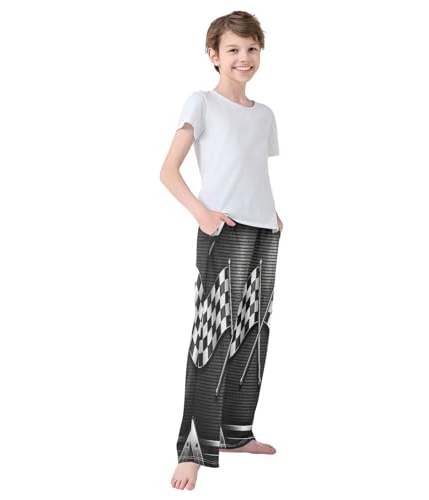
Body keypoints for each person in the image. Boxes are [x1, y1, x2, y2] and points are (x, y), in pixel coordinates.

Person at [159, 10, 283, 491]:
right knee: (211, 335)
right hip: (223, 229)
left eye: (251, 48)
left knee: (254, 330)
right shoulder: (202, 102)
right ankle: (192, 450)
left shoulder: (264, 114)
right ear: (214, 55)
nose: (243, 57)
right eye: (233, 49)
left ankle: (235, 432)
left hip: (263, 229)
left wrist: (272, 214)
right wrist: (203, 214)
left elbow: (250, 170)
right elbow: (168, 171)